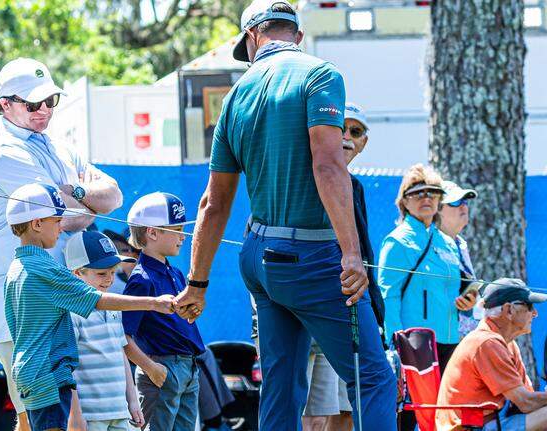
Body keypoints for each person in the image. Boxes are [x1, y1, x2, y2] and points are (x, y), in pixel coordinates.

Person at [175, 1, 397, 429]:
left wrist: (197, 283)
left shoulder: (236, 96)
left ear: (253, 37)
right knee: (373, 378)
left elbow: (213, 203)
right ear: (295, 35)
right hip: (312, 256)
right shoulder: (320, 74)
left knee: (281, 386)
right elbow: (329, 166)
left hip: (259, 257)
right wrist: (351, 254)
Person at [0, 58, 123, 431]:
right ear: (4, 105)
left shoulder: (59, 147)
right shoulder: (3, 153)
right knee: (38, 419)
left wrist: (74, 192)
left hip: (56, 303)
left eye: (50, 101)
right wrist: (83, 199)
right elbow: (70, 215)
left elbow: (114, 196)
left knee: (55, 420)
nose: (44, 110)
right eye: (32, 103)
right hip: (22, 312)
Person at [2, 182, 174, 431]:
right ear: (37, 223)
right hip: (48, 375)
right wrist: (154, 303)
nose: (62, 227)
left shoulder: (16, 268)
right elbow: (96, 299)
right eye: (57, 220)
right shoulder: (44, 269)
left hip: (33, 372)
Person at [377, 165, 474, 431]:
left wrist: (467, 303)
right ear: (404, 202)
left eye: (432, 192)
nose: (426, 198)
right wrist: (397, 343)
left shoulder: (447, 242)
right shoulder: (396, 242)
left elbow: (457, 291)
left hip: (449, 340)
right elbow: (388, 296)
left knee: (444, 415)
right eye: (418, 193)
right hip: (414, 345)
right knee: (411, 414)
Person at [302, 102, 375, 431]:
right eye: (341, 128)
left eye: (356, 132)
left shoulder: (355, 186)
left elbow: (364, 254)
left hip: (343, 311)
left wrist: (377, 315)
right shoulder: (302, 176)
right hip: (301, 310)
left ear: (364, 142)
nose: (346, 137)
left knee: (339, 413)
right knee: (303, 414)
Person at [122, 192, 205, 431]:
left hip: (188, 368)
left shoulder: (177, 274)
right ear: (153, 232)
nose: (183, 236)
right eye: (176, 229)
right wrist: (152, 369)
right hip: (162, 368)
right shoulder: (141, 280)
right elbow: (123, 335)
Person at [436, 278, 547, 431]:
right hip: (472, 426)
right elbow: (526, 402)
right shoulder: (487, 343)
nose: (535, 313)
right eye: (529, 306)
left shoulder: (506, 343)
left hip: (492, 420)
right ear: (508, 310)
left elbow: (528, 399)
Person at [63, 231, 144, 431]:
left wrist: (132, 400)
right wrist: (75, 414)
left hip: (120, 411)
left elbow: (121, 353)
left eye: (112, 271)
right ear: (77, 273)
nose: (109, 279)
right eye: (101, 273)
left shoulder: (112, 306)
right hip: (90, 416)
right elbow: (66, 368)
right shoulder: (71, 313)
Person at [438, 180, 480, 337]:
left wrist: (471, 301)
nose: (463, 206)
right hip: (443, 338)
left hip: (463, 337)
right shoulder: (431, 245)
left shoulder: (461, 244)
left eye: (465, 201)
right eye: (455, 202)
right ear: (438, 209)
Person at [103, 228, 140, 295]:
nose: (116, 253)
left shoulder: (149, 280)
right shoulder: (108, 281)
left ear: (136, 255)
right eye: (115, 249)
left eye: (123, 250)